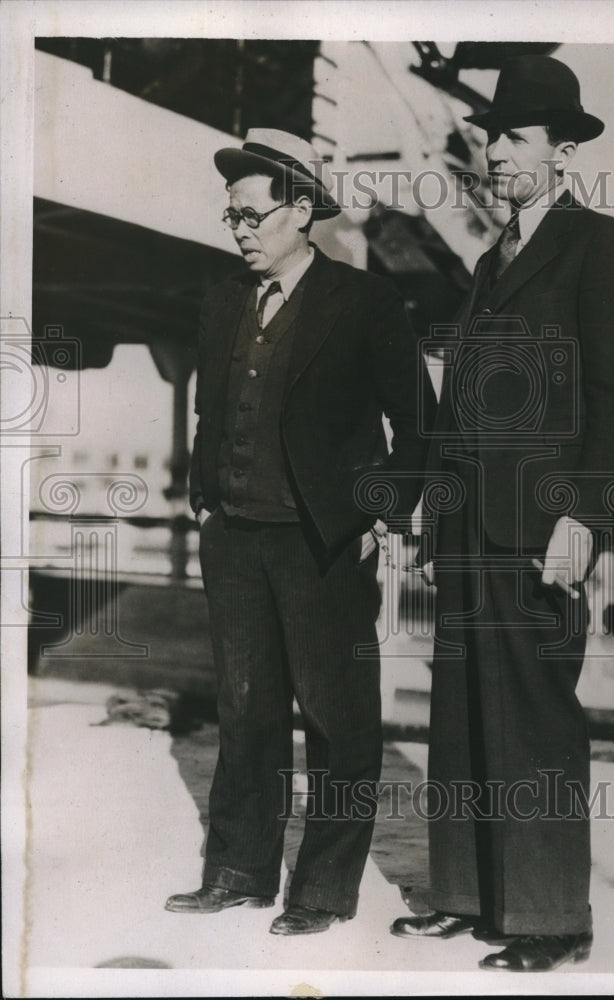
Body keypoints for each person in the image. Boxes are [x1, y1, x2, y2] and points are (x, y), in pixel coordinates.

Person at [391, 55, 614, 971]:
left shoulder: (599, 245)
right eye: (491, 136)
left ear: (562, 149)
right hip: (470, 525)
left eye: (513, 136)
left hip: (540, 524)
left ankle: (548, 919)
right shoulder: (491, 258)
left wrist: (584, 518)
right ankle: (466, 893)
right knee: (460, 711)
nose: (493, 151)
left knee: (535, 713)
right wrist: (432, 515)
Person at [166, 128, 435, 935]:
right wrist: (204, 496)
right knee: (244, 710)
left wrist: (385, 514)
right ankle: (238, 872)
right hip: (236, 536)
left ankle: (319, 890)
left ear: (303, 210)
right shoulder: (221, 301)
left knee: (334, 717)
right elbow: (212, 408)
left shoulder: (366, 302)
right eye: (232, 218)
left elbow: (415, 421)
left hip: (322, 541)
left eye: (252, 215)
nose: (241, 230)